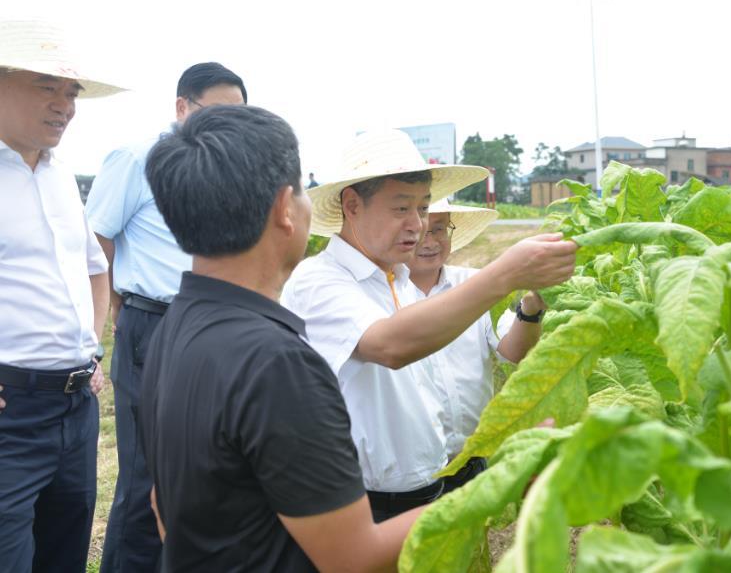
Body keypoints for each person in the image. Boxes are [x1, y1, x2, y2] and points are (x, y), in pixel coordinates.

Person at [140, 105, 421, 572]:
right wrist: (496, 487)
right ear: (283, 209)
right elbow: (355, 558)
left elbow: (162, 505)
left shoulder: (175, 325)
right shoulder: (276, 363)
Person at [281, 130, 577, 522]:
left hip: (430, 493)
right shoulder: (319, 280)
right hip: (366, 505)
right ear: (352, 205)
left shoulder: (399, 280)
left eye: (422, 209)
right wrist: (505, 274)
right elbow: (390, 346)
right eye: (401, 209)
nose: (417, 225)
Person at [85, 62, 246, 572]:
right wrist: (114, 310)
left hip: (210, 329)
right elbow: (96, 243)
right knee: (145, 482)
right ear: (182, 107)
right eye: (218, 114)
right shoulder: (136, 160)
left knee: (200, 476)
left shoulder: (225, 172)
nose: (229, 129)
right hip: (151, 328)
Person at [0, 19, 124, 572]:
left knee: (65, 552)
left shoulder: (59, 174)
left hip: (76, 407)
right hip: (11, 410)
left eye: (71, 92)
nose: (65, 105)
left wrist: (92, 345)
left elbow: (95, 268)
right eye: (46, 86)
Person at [404, 199, 547, 492]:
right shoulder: (385, 293)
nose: (430, 241)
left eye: (440, 229)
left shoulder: (475, 285)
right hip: (411, 473)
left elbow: (513, 351)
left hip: (471, 459)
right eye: (421, 230)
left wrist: (531, 308)